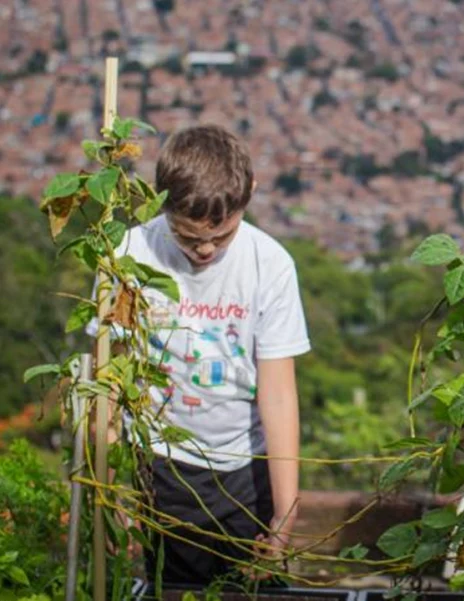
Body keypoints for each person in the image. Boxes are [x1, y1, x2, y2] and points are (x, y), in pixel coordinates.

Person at [97, 124, 310, 585]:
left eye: (222, 235)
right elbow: (109, 379)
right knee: (175, 588)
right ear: (162, 204)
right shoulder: (129, 255)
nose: (206, 250)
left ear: (249, 195)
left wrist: (286, 513)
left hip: (247, 472)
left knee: (256, 588)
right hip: (160, 465)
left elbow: (278, 393)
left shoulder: (269, 265)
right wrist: (110, 487)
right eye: (188, 238)